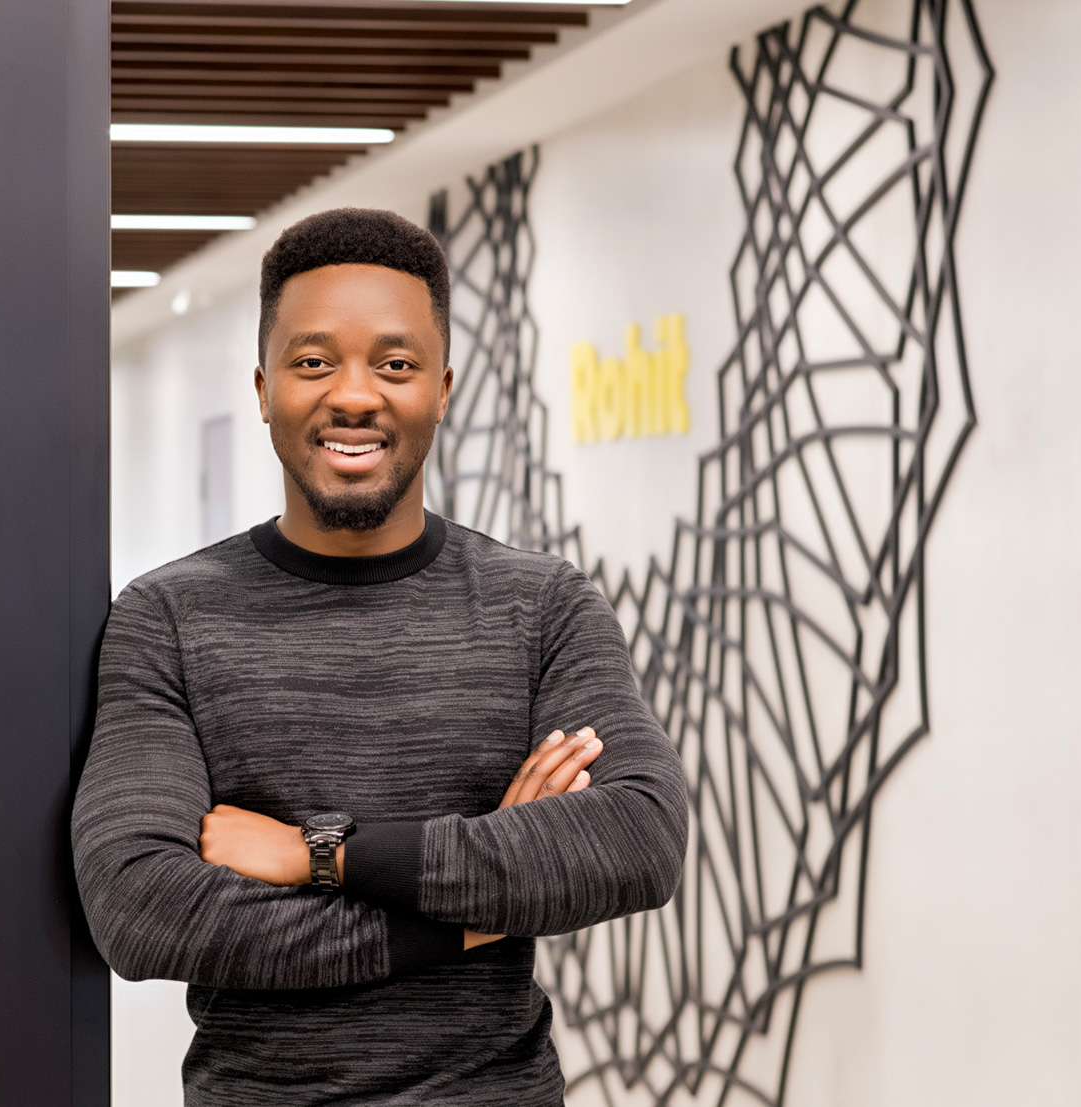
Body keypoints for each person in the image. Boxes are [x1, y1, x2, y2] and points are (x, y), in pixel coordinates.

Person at [71, 208, 688, 1105]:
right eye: (314, 361)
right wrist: (475, 915)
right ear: (262, 386)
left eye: (393, 364)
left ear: (442, 387)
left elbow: (637, 837)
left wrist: (314, 854)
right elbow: (141, 906)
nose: (354, 395)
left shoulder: (543, 607)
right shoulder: (168, 617)